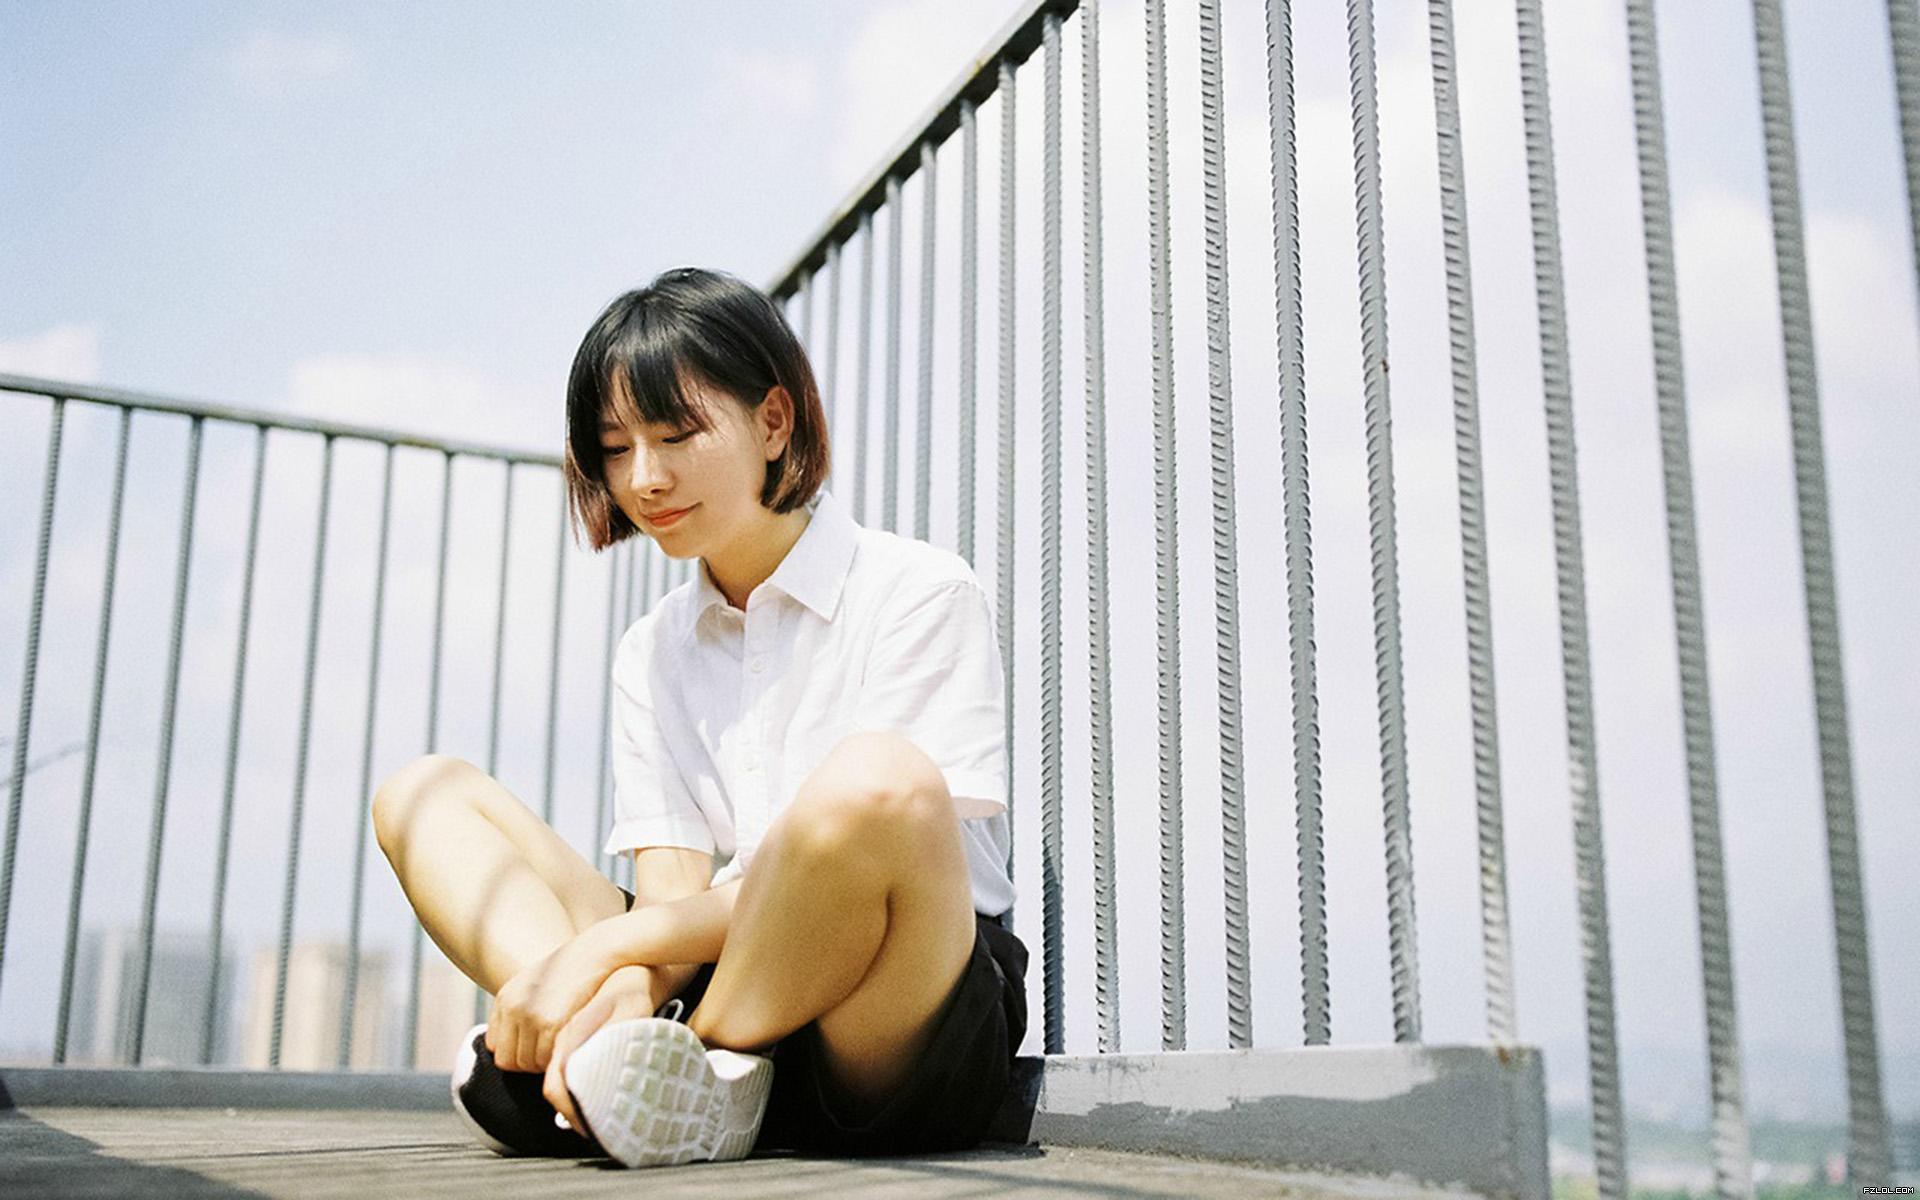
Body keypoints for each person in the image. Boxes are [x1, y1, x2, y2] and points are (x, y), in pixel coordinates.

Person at [370, 266, 1027, 1167]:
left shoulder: (919, 591)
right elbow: (673, 896)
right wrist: (633, 979)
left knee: (880, 780)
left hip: (893, 1005)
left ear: (773, 422)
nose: (644, 478)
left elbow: (881, 846)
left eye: (676, 435)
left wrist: (599, 954)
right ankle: (617, 1058)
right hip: (726, 973)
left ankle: (667, 1066)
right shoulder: (652, 649)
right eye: (615, 448)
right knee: (425, 794)